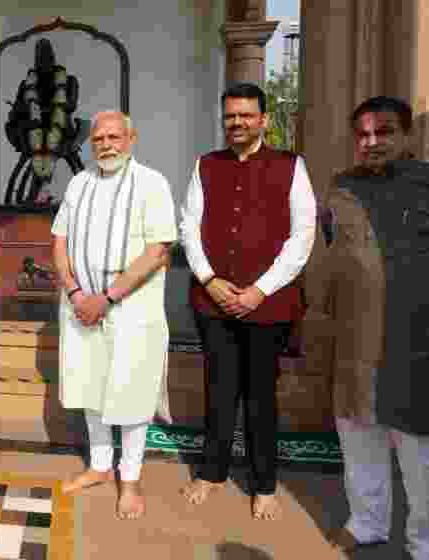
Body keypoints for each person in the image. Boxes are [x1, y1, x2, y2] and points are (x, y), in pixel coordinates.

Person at [320, 96, 429, 559]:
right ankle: (367, 524)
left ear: (408, 135)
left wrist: (418, 300)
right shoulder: (342, 188)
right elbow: (334, 247)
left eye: (384, 131)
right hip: (357, 343)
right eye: (363, 134)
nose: (371, 142)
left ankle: (428, 547)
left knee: (427, 457)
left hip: (426, 345)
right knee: (360, 442)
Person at [179, 82, 316, 521]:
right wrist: (209, 279)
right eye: (230, 116)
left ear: (263, 119)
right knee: (219, 389)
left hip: (268, 305)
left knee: (260, 395)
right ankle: (212, 473)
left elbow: (303, 235)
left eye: (246, 115)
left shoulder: (291, 166)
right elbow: (189, 226)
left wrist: (261, 290)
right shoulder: (206, 165)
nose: (237, 122)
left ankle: (264, 484)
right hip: (213, 300)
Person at [51, 110, 177, 520]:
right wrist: (75, 292)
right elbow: (59, 241)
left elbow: (158, 250)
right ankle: (100, 466)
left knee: (132, 393)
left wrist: (106, 297)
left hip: (130, 308)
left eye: (114, 137)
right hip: (80, 306)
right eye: (99, 139)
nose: (105, 145)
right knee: (91, 388)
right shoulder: (79, 182)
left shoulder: (152, 183)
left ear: (131, 138)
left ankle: (131, 478)